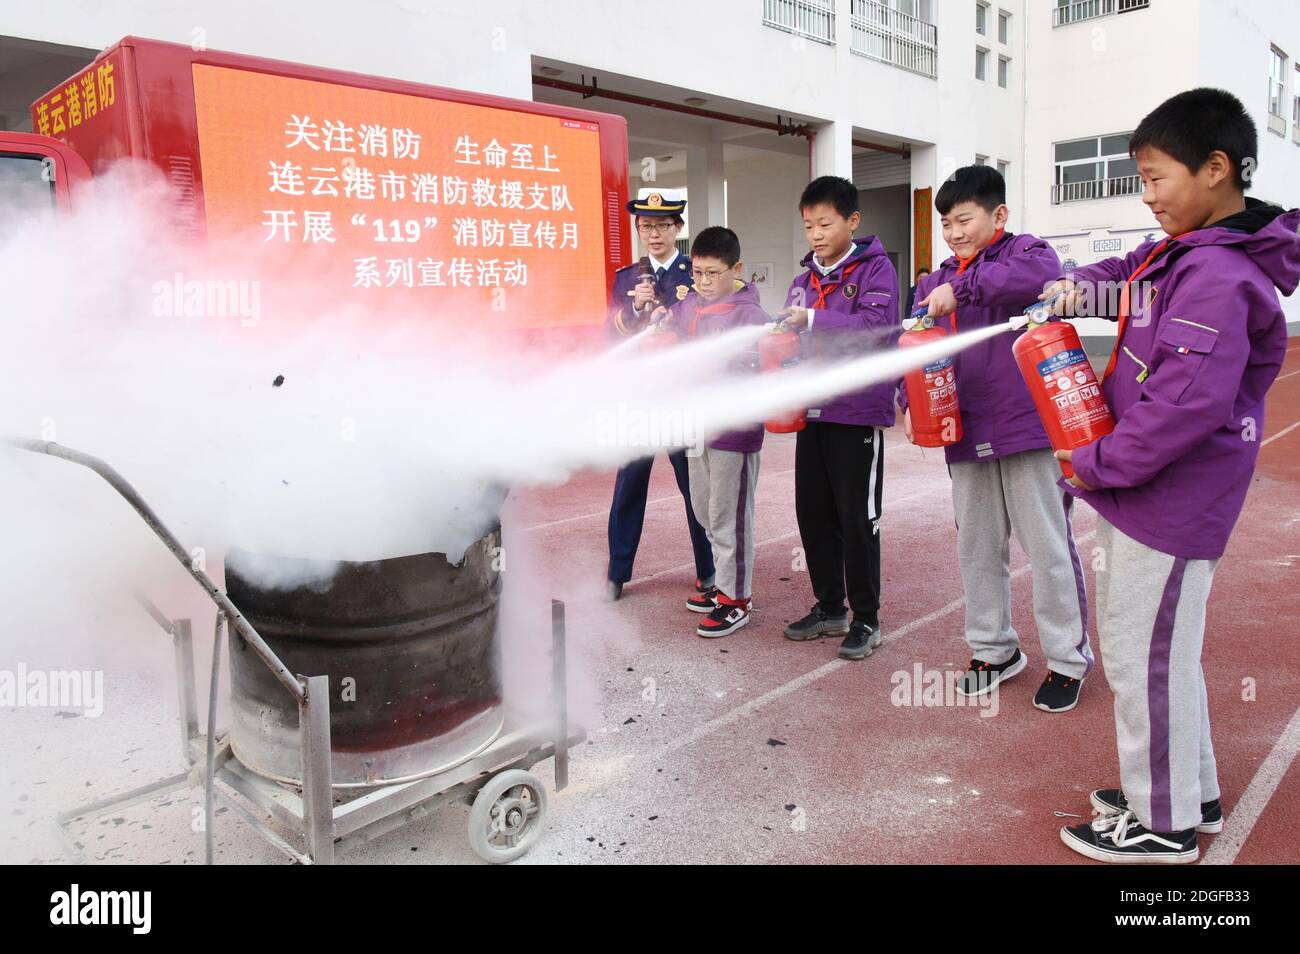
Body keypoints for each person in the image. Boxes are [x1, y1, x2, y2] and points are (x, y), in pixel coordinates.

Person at [1044, 88, 1298, 863]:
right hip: (1147, 498)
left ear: (1216, 169)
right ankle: (1188, 788)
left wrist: (1091, 465)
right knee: (1161, 652)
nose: (1147, 197)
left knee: (1138, 655)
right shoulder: (1187, 253)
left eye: (1156, 179)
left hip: (1170, 500)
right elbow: (1130, 270)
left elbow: (1182, 409)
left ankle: (1164, 824)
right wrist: (1075, 282)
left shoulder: (1218, 281)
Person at [902, 166, 1092, 712]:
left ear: (998, 215)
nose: (954, 232)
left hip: (1027, 428)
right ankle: (993, 650)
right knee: (977, 546)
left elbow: (1028, 281)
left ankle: (1066, 660)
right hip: (964, 430)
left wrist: (955, 290)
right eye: (945, 222)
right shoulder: (934, 281)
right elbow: (915, 349)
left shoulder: (1029, 255)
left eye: (964, 219)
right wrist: (908, 404)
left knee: (1047, 546)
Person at [778, 176, 898, 661]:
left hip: (856, 413)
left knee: (858, 518)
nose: (815, 235)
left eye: (824, 224)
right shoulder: (802, 281)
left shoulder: (877, 270)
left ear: (852, 222)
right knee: (813, 514)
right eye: (808, 226)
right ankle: (830, 607)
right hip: (813, 414)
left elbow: (876, 329)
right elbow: (792, 342)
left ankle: (866, 617)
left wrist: (809, 321)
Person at [654, 226, 769, 637]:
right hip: (696, 426)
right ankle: (722, 585)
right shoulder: (692, 307)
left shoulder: (752, 316)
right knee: (703, 509)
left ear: (736, 269)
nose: (702, 283)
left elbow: (764, 367)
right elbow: (674, 334)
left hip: (733, 433)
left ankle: (736, 599)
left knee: (728, 516)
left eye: (712, 274)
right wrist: (659, 322)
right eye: (697, 274)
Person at [604, 192, 714, 602]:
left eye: (662, 226)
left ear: (678, 229)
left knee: (694, 486)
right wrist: (634, 311)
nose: (653, 234)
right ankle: (617, 572)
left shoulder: (694, 273)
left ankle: (709, 570)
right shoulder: (625, 277)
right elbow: (608, 333)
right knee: (629, 485)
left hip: (682, 397)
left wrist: (668, 312)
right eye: (646, 226)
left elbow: (705, 327)